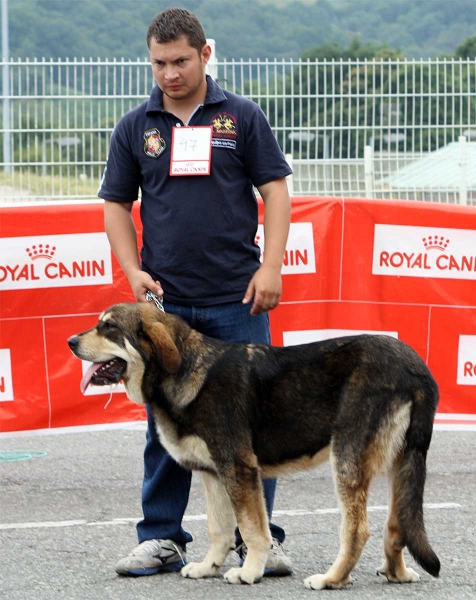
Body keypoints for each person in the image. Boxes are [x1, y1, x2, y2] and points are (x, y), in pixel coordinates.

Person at [98, 7, 293, 578]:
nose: (169, 73)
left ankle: (259, 541)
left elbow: (276, 192)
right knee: (166, 426)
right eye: (158, 62)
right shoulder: (137, 127)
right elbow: (116, 203)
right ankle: (161, 536)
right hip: (164, 309)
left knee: (253, 424)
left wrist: (272, 267)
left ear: (205, 55)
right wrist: (132, 271)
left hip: (238, 300)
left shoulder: (242, 116)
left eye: (180, 61)